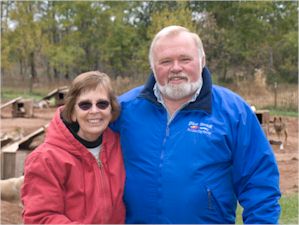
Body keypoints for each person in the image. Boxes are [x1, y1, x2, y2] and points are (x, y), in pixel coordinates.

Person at [111, 25, 281, 224]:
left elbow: (259, 183)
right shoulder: (124, 109)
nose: (176, 68)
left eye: (185, 59)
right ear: (152, 66)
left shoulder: (234, 112)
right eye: (165, 61)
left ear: (202, 61)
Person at [21, 71, 125, 224]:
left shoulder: (119, 146)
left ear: (111, 110)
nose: (94, 111)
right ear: (73, 112)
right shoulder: (46, 158)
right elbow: (40, 218)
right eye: (85, 105)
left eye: (102, 104)